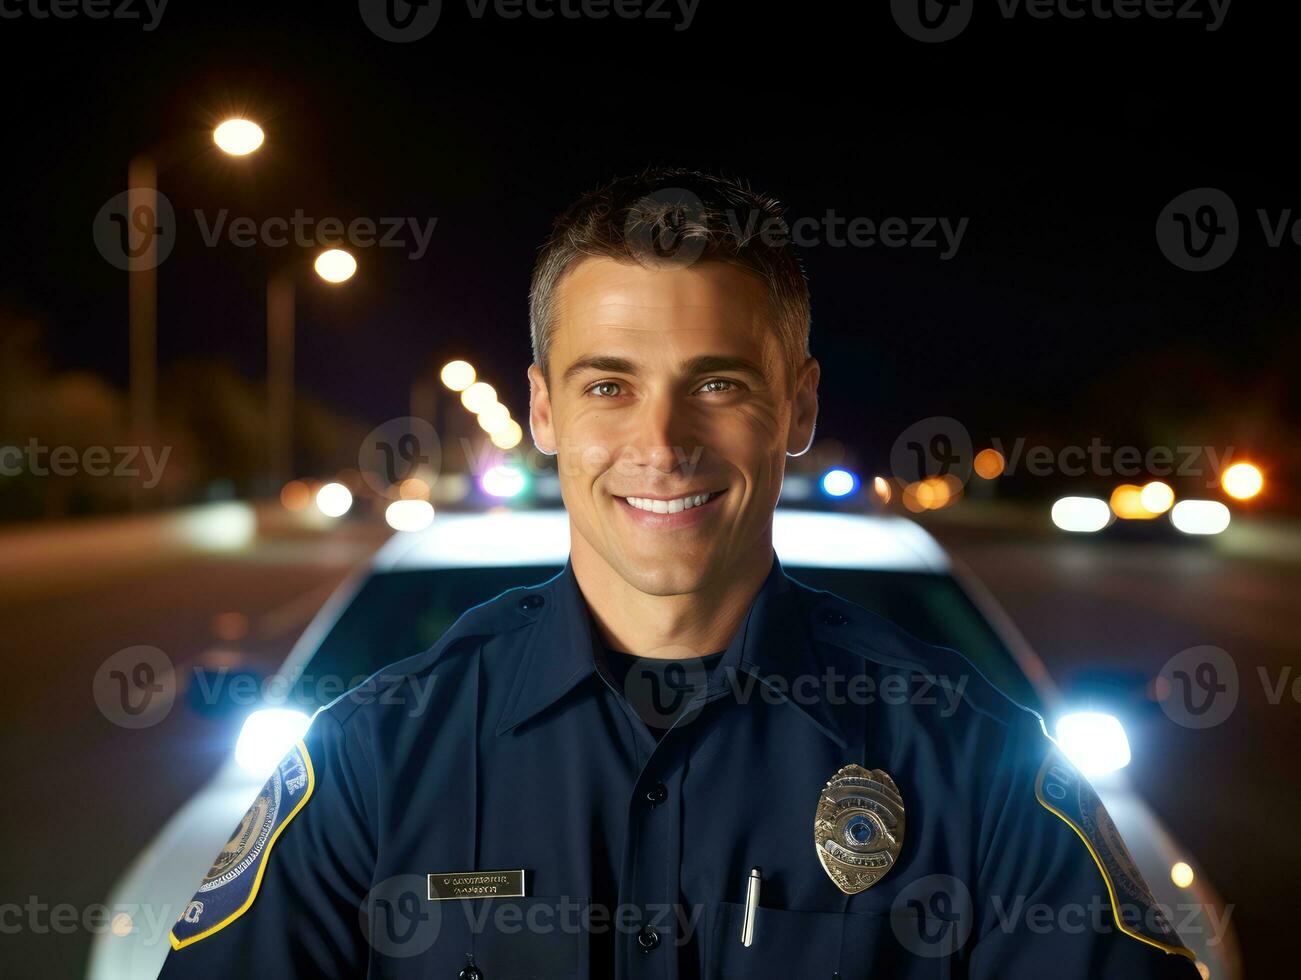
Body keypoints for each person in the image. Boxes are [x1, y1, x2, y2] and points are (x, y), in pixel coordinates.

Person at [158, 168, 1200, 979]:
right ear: (542, 410)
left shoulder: (977, 762)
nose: (661, 442)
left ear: (794, 408)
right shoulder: (371, 765)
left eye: (716, 382)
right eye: (608, 384)